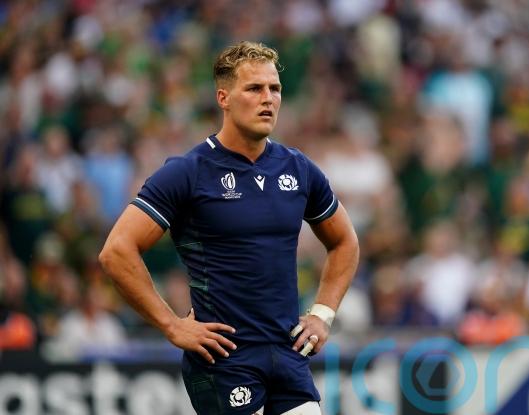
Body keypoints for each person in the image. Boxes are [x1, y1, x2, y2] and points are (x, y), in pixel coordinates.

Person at [99, 41, 359, 415]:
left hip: (287, 355)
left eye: (275, 89)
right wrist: (171, 325)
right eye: (254, 89)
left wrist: (322, 314)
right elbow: (117, 251)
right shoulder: (187, 172)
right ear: (223, 98)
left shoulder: (298, 169)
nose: (268, 99)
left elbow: (345, 242)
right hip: (224, 360)